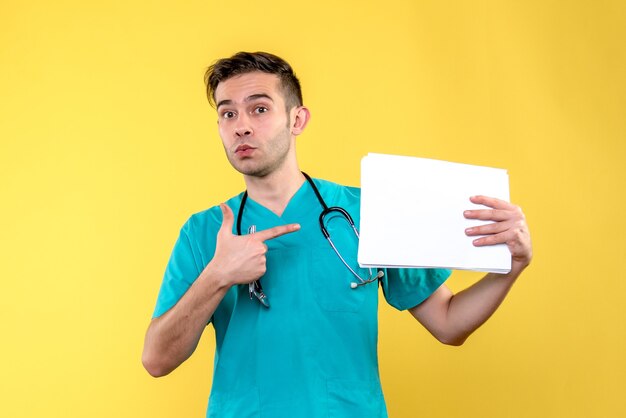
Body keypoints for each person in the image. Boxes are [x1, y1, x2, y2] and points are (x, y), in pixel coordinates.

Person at [142, 51, 533, 418]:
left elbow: (449, 324)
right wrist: (218, 275)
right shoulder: (203, 231)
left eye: (259, 109)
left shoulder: (367, 212)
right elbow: (156, 360)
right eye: (227, 114)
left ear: (297, 120)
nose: (241, 125)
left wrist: (511, 268)